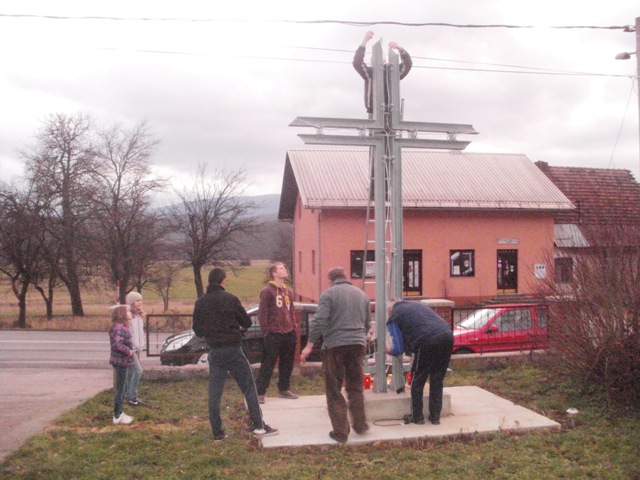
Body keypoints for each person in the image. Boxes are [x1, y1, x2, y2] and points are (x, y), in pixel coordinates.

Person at [193, 267, 278, 441]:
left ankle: (217, 432)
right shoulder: (230, 299)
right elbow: (246, 321)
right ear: (223, 280)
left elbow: (198, 330)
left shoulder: (200, 302)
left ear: (209, 281)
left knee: (215, 393)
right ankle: (259, 426)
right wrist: (236, 330)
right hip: (233, 349)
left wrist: (211, 332)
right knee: (248, 387)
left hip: (215, 351)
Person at [300, 267, 371, 443]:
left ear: (330, 279)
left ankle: (340, 432)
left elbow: (319, 320)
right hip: (357, 345)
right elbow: (367, 323)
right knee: (355, 386)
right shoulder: (362, 294)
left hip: (335, 346)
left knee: (333, 388)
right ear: (345, 277)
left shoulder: (328, 294)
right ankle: (360, 425)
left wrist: (309, 345)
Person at [386, 301, 453, 425]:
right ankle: (435, 417)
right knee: (437, 379)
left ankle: (417, 417)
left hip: (426, 341)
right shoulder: (417, 306)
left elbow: (399, 348)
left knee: (418, 379)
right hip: (447, 336)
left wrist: (390, 351)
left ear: (390, 310)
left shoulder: (394, 316)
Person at [255, 262, 298, 404]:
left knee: (287, 362)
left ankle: (284, 388)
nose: (284, 270)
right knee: (268, 363)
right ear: (274, 273)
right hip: (274, 333)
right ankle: (260, 392)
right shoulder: (268, 291)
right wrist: (266, 330)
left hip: (288, 331)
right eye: (281, 268)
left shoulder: (288, 291)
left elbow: (291, 310)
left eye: (285, 268)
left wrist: (293, 326)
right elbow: (262, 313)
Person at [352, 30, 413, 116]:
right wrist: (365, 40)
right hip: (374, 112)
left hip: (392, 112)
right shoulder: (370, 73)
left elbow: (407, 64)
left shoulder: (392, 72)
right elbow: (357, 62)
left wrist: (400, 49)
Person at [109, 304, 135, 425]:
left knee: (122, 388)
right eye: (128, 311)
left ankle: (120, 412)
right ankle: (117, 415)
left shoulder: (122, 327)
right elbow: (117, 345)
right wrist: (128, 351)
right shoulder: (119, 328)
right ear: (121, 314)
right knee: (120, 389)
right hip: (120, 361)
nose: (130, 313)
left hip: (123, 361)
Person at [124, 291, 147, 407]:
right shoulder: (128, 316)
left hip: (136, 348)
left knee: (131, 371)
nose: (140, 303)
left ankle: (127, 394)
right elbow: (127, 332)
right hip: (129, 348)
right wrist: (130, 347)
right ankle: (132, 396)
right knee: (138, 371)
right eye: (137, 300)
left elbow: (140, 333)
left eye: (141, 300)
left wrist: (140, 347)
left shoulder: (139, 315)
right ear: (132, 302)